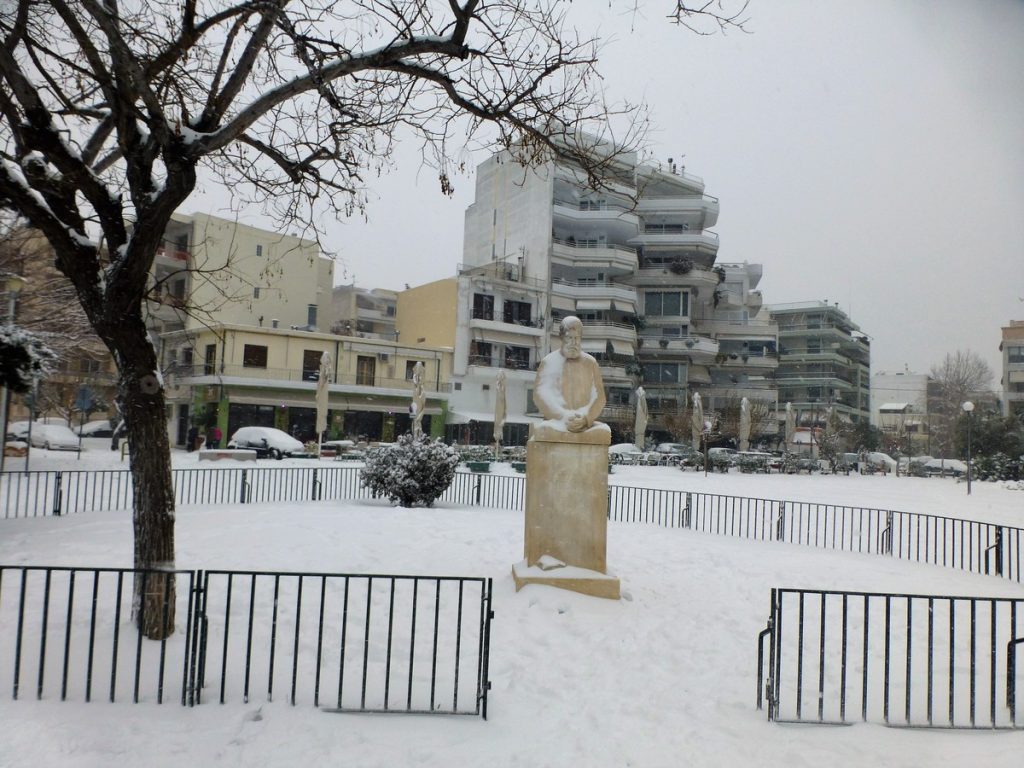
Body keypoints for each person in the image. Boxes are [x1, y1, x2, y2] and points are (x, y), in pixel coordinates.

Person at [533, 315, 606, 433]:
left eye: (577, 338)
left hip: (584, 423)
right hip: (556, 422)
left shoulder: (590, 363)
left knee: (602, 432)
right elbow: (541, 395)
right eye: (569, 338)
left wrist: (586, 417)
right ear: (561, 338)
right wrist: (563, 416)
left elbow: (599, 397)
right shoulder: (549, 362)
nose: (573, 342)